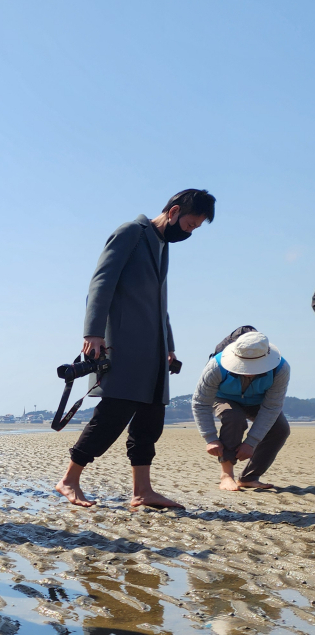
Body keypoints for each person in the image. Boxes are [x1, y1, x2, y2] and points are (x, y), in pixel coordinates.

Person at [55, 189, 216, 508]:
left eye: (195, 229)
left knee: (150, 420)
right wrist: (93, 332)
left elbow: (160, 304)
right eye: (189, 225)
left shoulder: (162, 246)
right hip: (123, 346)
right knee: (112, 414)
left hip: (153, 352)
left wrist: (169, 346)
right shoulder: (131, 232)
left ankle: (142, 491)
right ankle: (68, 480)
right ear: (173, 212)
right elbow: (101, 281)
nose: (189, 232)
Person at [192, 328, 290, 491]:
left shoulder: (280, 369)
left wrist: (251, 443)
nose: (249, 373)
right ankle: (226, 475)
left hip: (258, 402)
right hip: (223, 398)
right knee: (234, 417)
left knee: (280, 429)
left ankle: (249, 477)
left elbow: (272, 407)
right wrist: (211, 438)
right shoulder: (216, 366)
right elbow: (201, 402)